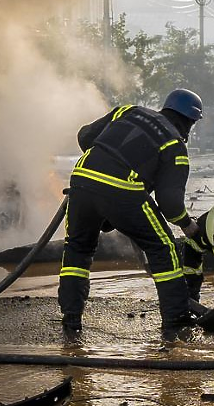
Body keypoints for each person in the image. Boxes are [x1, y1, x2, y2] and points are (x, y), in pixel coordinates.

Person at [59, 89, 203, 341]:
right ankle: (176, 323)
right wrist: (187, 225)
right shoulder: (174, 144)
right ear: (189, 121)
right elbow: (170, 204)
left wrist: (103, 161)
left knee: (77, 250)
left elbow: (85, 135)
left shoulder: (128, 111)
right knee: (164, 248)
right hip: (123, 191)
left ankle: (71, 321)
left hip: (81, 181)